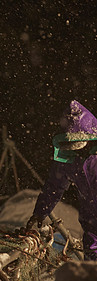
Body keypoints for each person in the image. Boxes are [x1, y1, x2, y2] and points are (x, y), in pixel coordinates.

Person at [25, 100, 97, 260]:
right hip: (92, 224)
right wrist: (39, 212)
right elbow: (54, 187)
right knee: (92, 265)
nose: (71, 149)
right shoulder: (68, 160)